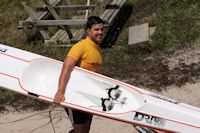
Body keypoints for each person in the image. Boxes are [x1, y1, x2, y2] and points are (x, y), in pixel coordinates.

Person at [53, 16, 105, 133]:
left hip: (88, 96)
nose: (100, 32)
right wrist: (60, 91)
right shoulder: (80, 47)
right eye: (96, 30)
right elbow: (66, 67)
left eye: (102, 29)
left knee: (84, 130)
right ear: (88, 30)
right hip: (74, 95)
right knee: (81, 130)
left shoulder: (98, 50)